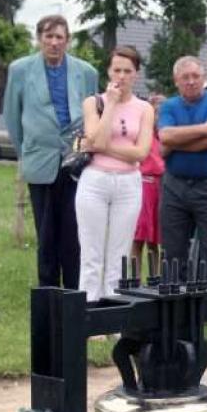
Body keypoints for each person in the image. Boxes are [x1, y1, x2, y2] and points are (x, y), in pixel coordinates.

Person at [4, 14, 99, 289]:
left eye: (60, 37)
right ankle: (47, 287)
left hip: (75, 161)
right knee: (45, 231)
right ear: (39, 39)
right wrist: (27, 149)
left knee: (73, 228)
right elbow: (12, 115)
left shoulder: (87, 72)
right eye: (49, 36)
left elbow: (94, 114)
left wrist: (84, 150)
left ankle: (73, 288)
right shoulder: (20, 70)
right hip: (39, 159)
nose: (54, 42)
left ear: (68, 41)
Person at [74, 47, 154, 302]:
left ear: (136, 74)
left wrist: (101, 146)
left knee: (119, 253)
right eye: (116, 70)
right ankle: (88, 312)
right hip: (95, 180)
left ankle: (113, 313)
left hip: (129, 183)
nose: (121, 76)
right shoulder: (93, 102)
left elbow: (141, 152)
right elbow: (94, 137)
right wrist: (110, 105)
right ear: (108, 71)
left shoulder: (144, 108)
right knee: (91, 253)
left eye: (127, 71)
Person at [158, 56, 207, 287]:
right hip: (173, 185)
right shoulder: (169, 105)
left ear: (203, 78)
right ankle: (174, 304)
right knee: (172, 249)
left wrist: (175, 143)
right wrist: (203, 129)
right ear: (176, 81)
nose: (191, 81)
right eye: (185, 77)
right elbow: (164, 137)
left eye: (196, 76)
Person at [132, 94, 167, 280]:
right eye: (155, 111)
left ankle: (156, 279)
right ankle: (134, 279)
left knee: (156, 239)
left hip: (161, 187)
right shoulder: (141, 133)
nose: (158, 115)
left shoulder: (166, 135)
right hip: (142, 185)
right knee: (138, 236)